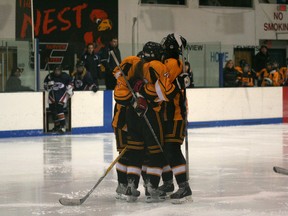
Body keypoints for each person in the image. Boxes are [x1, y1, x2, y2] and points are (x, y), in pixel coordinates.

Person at [113, 41, 177, 203]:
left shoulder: (132, 63)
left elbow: (120, 88)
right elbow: (164, 93)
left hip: (131, 116)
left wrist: (136, 95)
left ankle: (131, 186)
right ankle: (151, 187)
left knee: (134, 152)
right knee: (155, 152)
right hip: (149, 115)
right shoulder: (156, 65)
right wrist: (177, 84)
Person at [160, 33, 193, 204]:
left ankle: (183, 186)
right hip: (170, 114)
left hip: (176, 114)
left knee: (172, 150)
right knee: (167, 149)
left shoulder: (172, 63)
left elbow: (165, 90)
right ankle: (169, 184)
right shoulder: (171, 63)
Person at [44, 65, 73, 133]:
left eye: (58, 70)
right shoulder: (50, 76)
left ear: (61, 70)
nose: (57, 72)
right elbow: (45, 86)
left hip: (61, 95)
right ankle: (57, 126)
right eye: (56, 70)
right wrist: (48, 85)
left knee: (59, 108)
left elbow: (70, 83)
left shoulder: (65, 76)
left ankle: (63, 126)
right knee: (53, 110)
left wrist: (69, 90)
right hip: (52, 96)